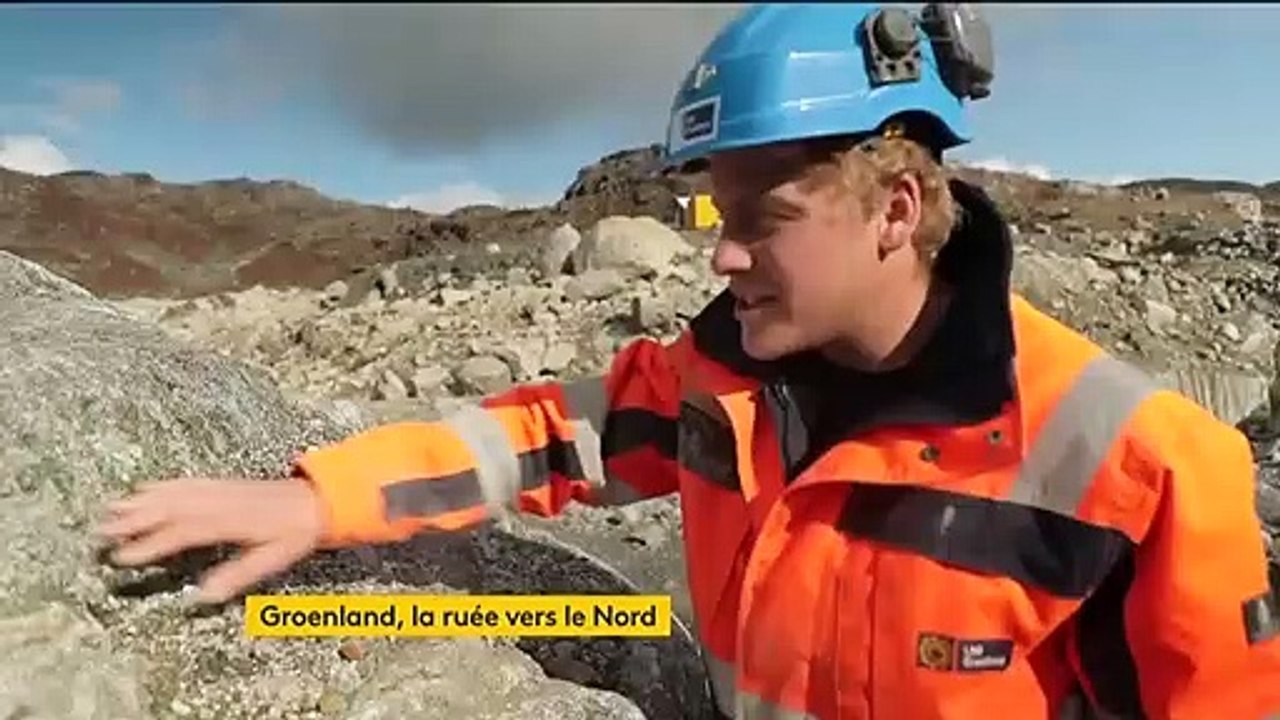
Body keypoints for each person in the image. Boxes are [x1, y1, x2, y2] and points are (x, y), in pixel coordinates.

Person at [98, 3, 1280, 719]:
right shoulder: (716, 390)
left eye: (761, 217)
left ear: (893, 209)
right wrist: (317, 497)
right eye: (715, 216)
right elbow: (533, 437)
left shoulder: (1140, 467)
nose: (718, 257)